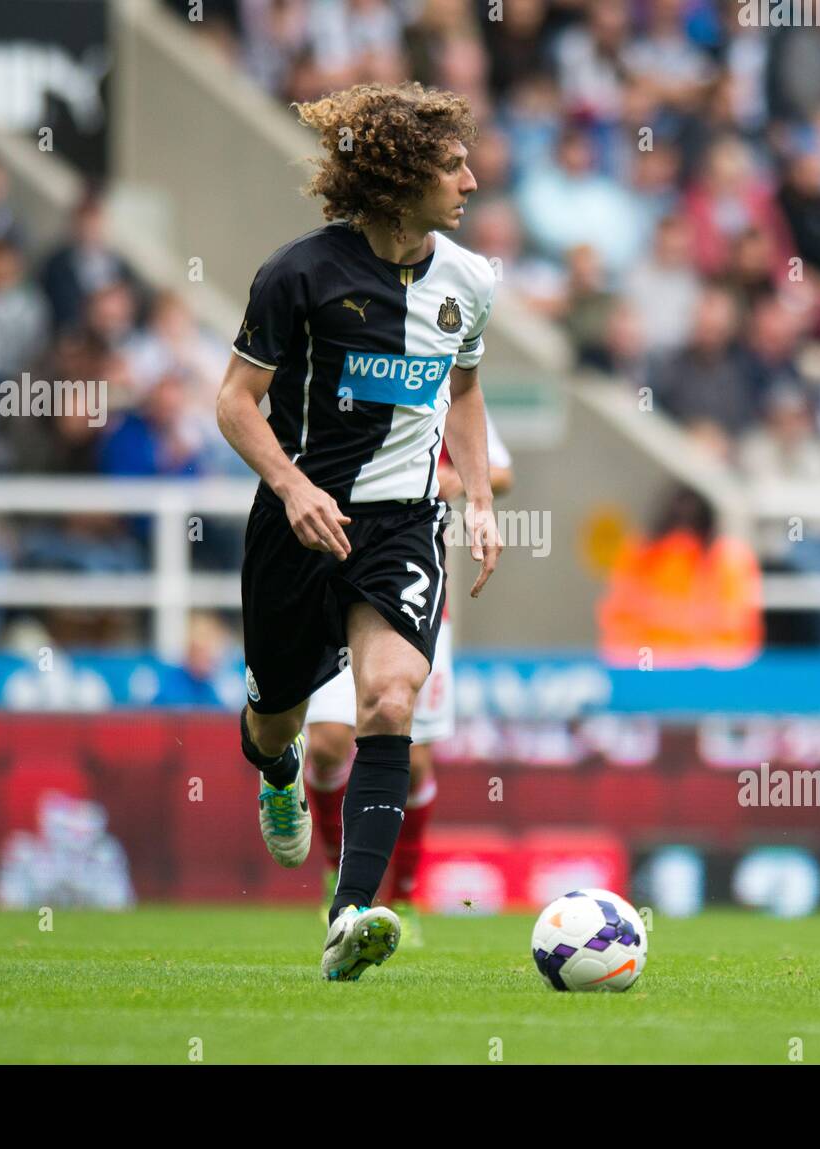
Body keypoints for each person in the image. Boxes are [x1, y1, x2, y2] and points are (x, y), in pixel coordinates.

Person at [215, 81, 502, 981]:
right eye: (453, 166)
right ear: (400, 179)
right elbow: (235, 403)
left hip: (403, 526)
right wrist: (291, 485)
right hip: (300, 525)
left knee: (390, 701)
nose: (471, 181)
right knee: (275, 722)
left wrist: (480, 498)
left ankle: (352, 915)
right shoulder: (298, 275)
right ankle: (278, 773)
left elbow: (464, 390)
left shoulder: (470, 281)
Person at [304, 412, 512, 946]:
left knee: (414, 760)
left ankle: (405, 895)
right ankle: (338, 872)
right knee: (324, 746)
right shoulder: (342, 384)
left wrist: (455, 480)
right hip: (333, 584)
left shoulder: (441, 385)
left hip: (412, 594)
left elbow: (499, 469)